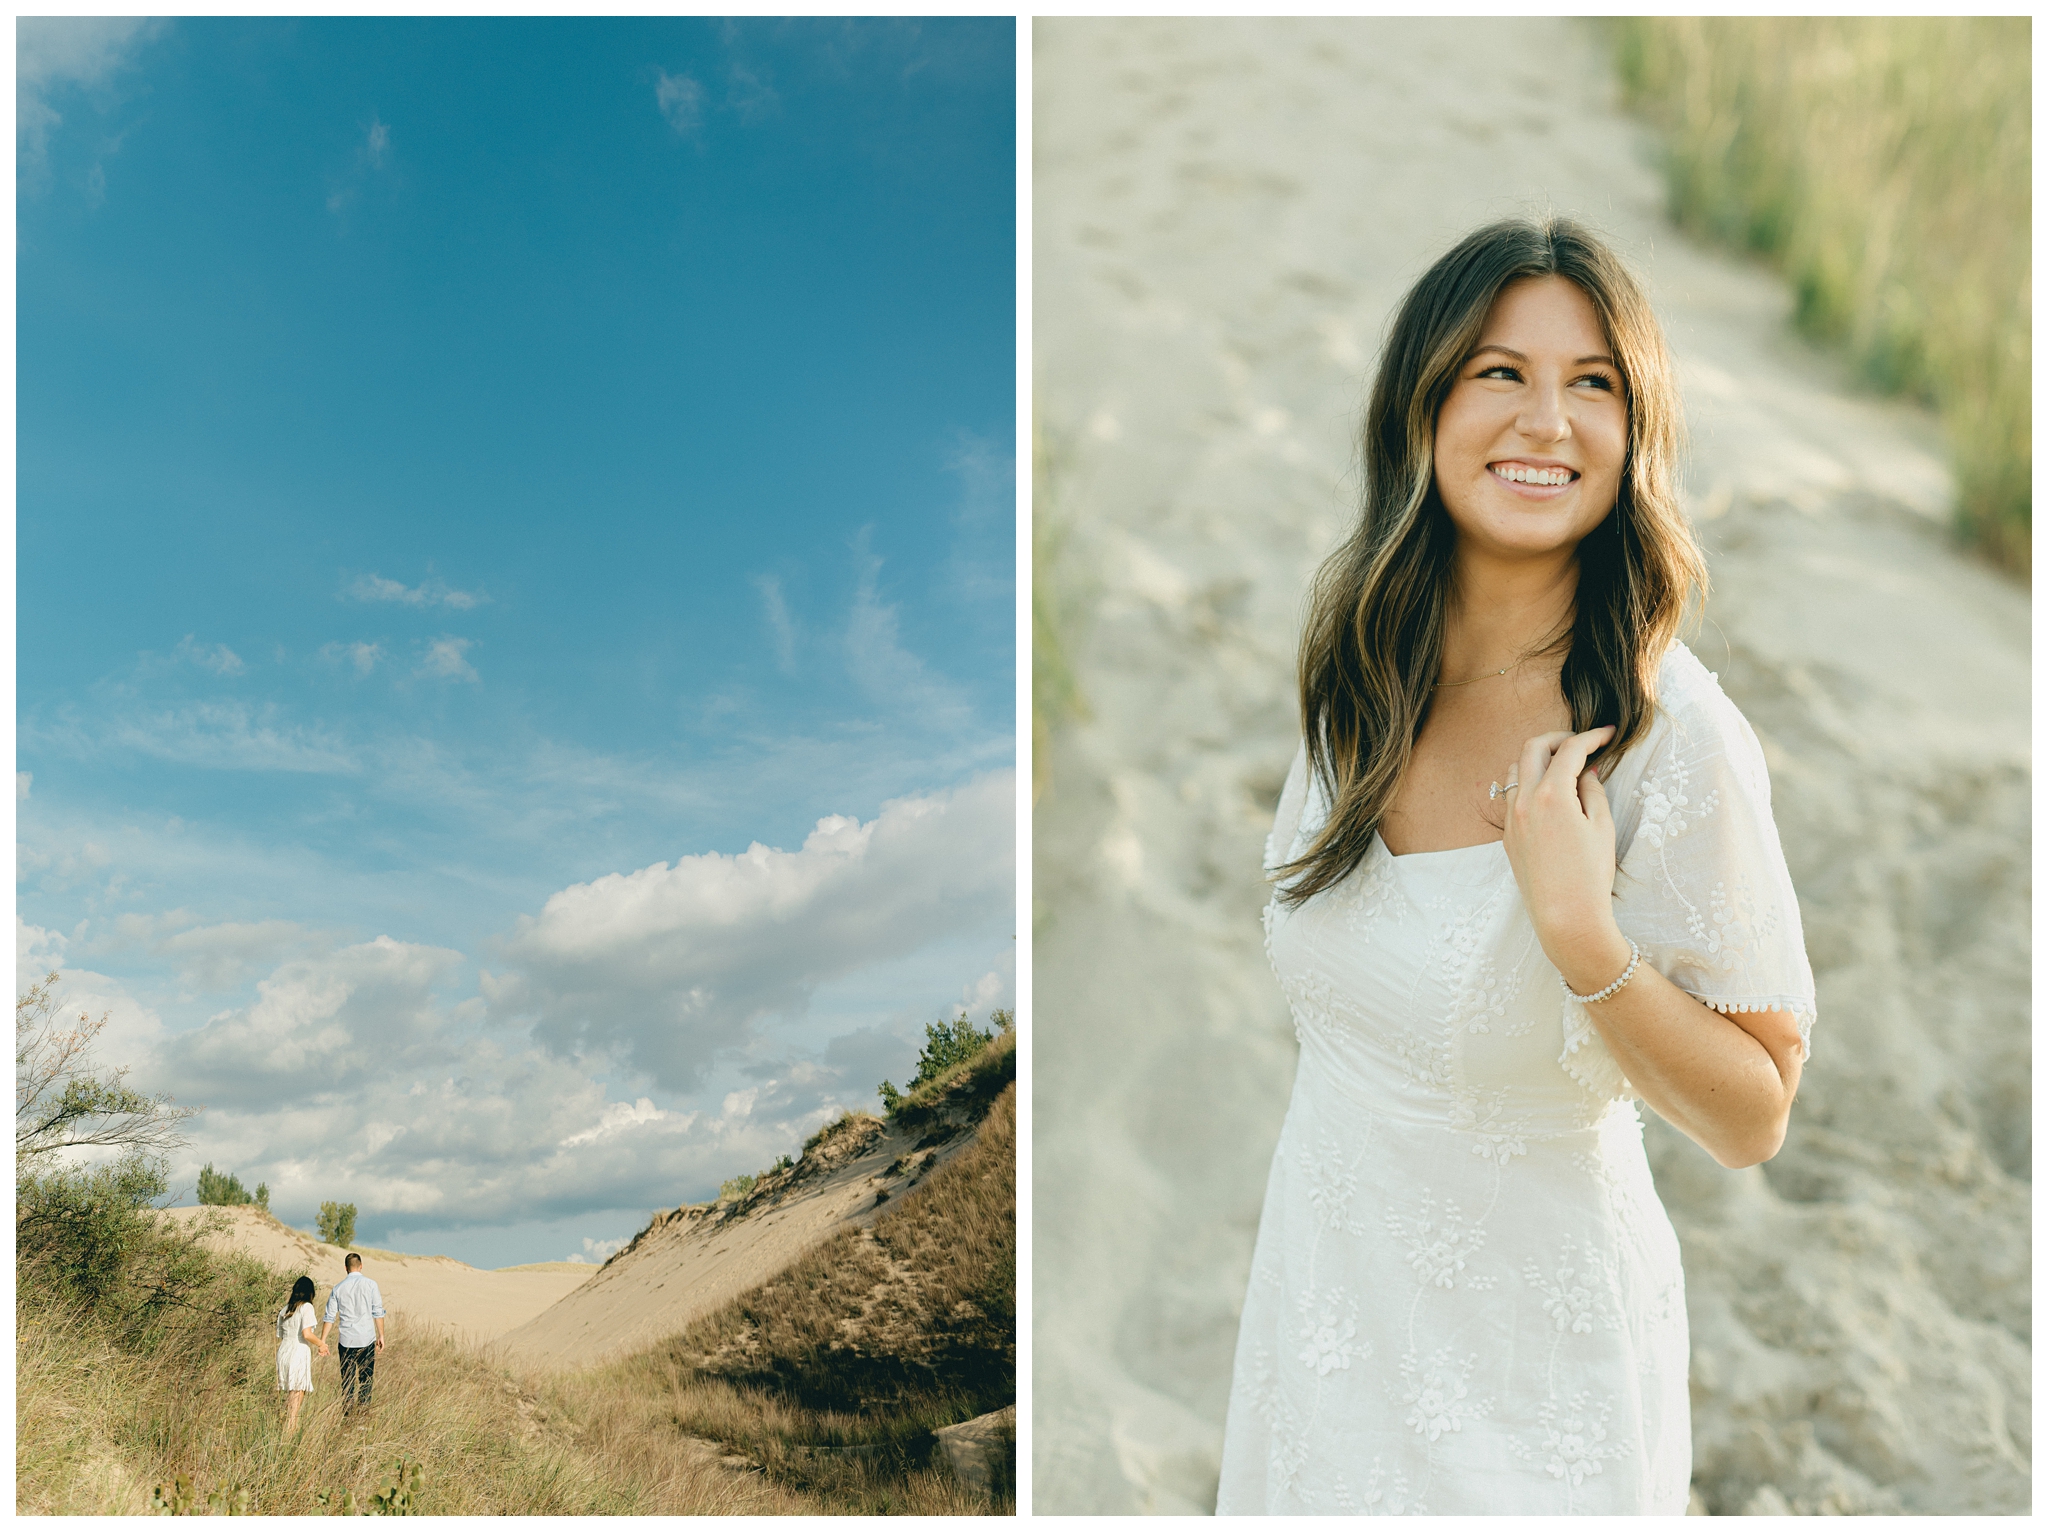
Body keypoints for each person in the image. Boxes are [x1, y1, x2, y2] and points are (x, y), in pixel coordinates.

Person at [1215, 217, 1814, 1515]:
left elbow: (1756, 1112)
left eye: (1592, 383)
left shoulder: (1673, 733)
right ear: (1422, 405)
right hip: (1324, 1327)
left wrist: (1586, 944)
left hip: (1531, 1389)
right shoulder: (1360, 669)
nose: (1547, 419)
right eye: (1501, 373)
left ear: (1631, 431)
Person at [320, 1252, 387, 1413]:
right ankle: (362, 1419)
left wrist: (322, 1341)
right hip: (366, 1339)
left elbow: (330, 1317)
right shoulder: (371, 1285)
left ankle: (348, 1418)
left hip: (346, 1341)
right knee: (366, 1380)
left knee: (347, 1382)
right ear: (361, 1265)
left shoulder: (338, 1288)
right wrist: (381, 1335)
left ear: (345, 1268)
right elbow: (378, 1312)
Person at [276, 1274, 329, 1433]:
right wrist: (321, 1344)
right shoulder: (306, 1307)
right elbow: (306, 1333)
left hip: (284, 1350)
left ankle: (286, 1426)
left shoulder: (285, 1309)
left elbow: (280, 1334)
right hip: (297, 1351)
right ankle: (290, 1431)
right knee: (297, 1392)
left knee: (290, 1391)